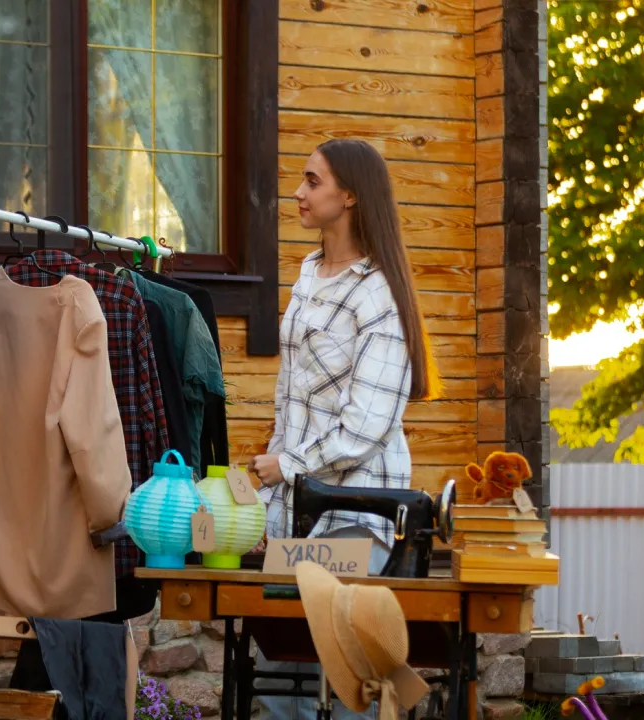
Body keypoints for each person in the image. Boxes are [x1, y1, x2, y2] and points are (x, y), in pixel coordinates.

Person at [247, 138, 440, 719]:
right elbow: (292, 401)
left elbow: (364, 428)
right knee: (278, 674)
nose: (298, 193)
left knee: (335, 680)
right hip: (300, 509)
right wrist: (271, 501)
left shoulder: (378, 295)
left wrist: (288, 466)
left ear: (349, 195)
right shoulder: (309, 273)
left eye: (312, 182)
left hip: (360, 514)